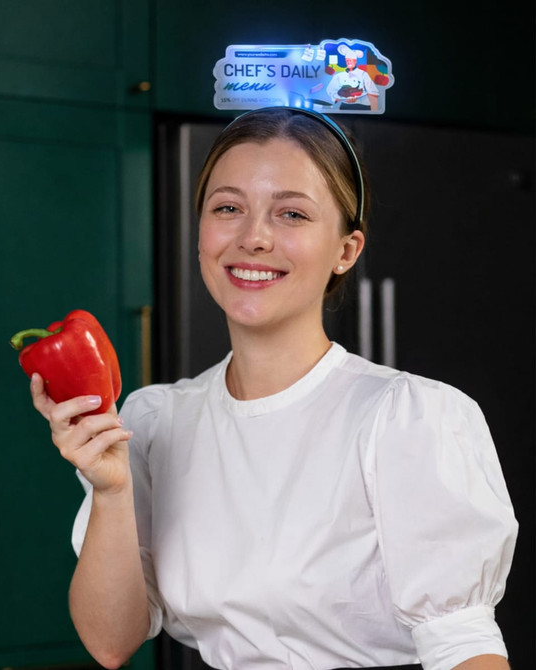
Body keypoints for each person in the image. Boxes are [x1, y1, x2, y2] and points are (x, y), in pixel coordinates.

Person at [30, 107, 518, 670]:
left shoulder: (408, 418)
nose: (253, 238)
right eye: (228, 208)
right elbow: (112, 643)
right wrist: (112, 491)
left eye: (291, 214)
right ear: (200, 233)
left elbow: (464, 647)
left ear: (346, 250)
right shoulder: (157, 420)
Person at [326, 44, 379, 111]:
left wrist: (374, 112)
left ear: (355, 61)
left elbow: (373, 93)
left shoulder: (363, 74)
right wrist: (337, 99)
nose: (349, 62)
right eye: (347, 61)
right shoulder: (339, 76)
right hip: (344, 107)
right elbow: (330, 90)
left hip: (362, 106)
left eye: (350, 60)